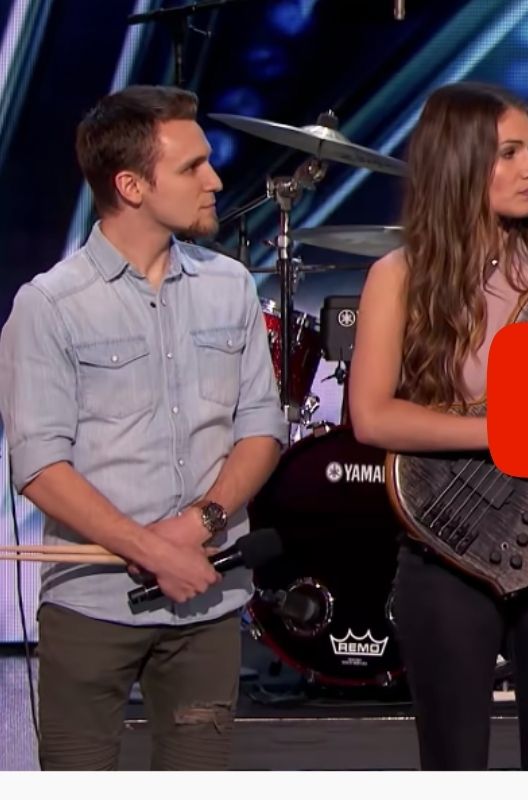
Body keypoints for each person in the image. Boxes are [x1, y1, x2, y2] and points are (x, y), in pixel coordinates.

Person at [0, 85, 287, 770]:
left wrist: (198, 525)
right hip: (92, 606)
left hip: (208, 596)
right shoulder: (49, 306)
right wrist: (149, 549)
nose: (214, 180)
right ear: (131, 185)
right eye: (193, 167)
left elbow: (262, 427)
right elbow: (40, 466)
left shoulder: (230, 286)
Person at [349, 81, 528, 770]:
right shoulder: (399, 276)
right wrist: (501, 432)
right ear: (459, 162)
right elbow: (372, 415)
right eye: (510, 153)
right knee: (454, 759)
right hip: (447, 524)